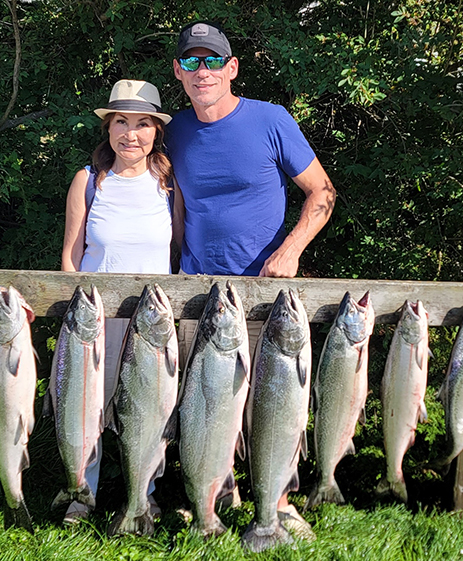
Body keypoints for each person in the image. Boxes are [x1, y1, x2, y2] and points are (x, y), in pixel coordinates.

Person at [167, 21, 336, 540]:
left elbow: (322, 192)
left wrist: (290, 249)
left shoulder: (270, 120)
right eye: (191, 62)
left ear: (232, 68)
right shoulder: (172, 130)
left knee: (273, 404)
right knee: (204, 408)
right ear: (178, 72)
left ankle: (280, 503)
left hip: (264, 297)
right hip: (197, 294)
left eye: (212, 61)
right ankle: (215, 493)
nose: (203, 72)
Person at [61, 79, 176, 523]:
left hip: (152, 326)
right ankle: (80, 493)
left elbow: (176, 249)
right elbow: (71, 256)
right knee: (85, 405)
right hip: (96, 323)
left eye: (142, 123)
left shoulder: (167, 183)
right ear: (108, 129)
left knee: (151, 410)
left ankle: (142, 496)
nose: (131, 133)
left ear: (156, 131)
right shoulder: (89, 181)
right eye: (121, 122)